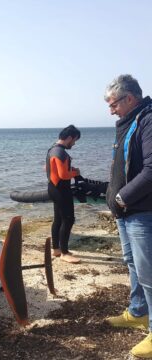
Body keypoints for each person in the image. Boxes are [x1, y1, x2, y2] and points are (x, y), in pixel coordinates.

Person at [104, 74, 152, 358]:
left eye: (113, 104)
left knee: (149, 274)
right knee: (132, 264)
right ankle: (137, 313)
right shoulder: (127, 123)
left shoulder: (147, 119)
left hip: (143, 211)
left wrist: (122, 197)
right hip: (125, 212)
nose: (111, 111)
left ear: (129, 99)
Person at [46, 125, 81, 264]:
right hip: (61, 190)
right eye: (74, 140)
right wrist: (75, 173)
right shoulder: (61, 152)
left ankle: (56, 249)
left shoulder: (52, 149)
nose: (74, 143)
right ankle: (65, 253)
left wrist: (70, 169)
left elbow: (49, 168)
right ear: (69, 138)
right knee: (68, 219)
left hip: (53, 188)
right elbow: (63, 174)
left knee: (58, 219)